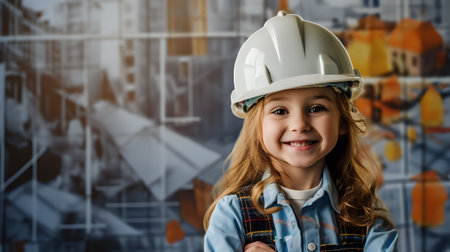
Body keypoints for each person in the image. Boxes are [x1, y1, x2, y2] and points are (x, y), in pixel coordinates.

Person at [203, 11, 398, 252]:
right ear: (256, 128)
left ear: (344, 122)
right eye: (279, 111)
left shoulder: (368, 220)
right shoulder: (232, 216)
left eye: (317, 108)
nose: (299, 124)